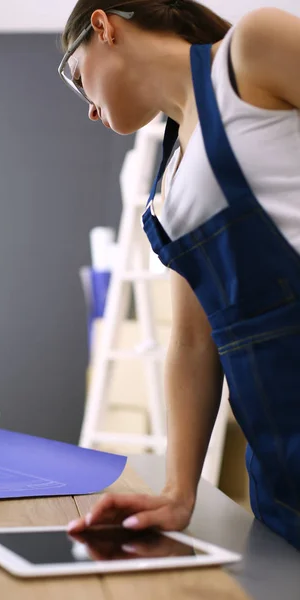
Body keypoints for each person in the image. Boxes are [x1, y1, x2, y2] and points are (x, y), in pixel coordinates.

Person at [58, 0, 300, 550]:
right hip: (282, 470)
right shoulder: (168, 182)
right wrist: (177, 492)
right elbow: (193, 339)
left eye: (78, 79)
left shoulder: (250, 52)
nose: (90, 111)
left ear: (103, 27)